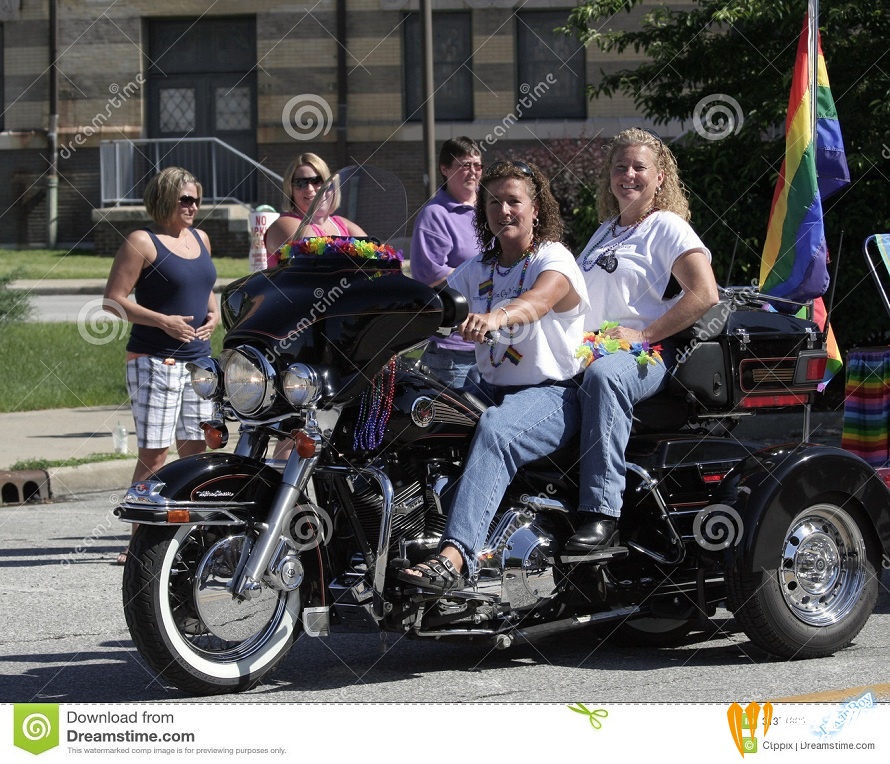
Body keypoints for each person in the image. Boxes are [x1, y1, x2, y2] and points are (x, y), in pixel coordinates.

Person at [398, 160, 589, 592]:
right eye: (494, 201)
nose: (503, 209)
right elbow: (430, 307)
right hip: (488, 389)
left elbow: (537, 302)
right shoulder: (477, 269)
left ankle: (454, 556)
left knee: (496, 431)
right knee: (415, 415)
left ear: (535, 208)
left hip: (552, 394)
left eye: (513, 201)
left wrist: (495, 317)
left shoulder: (552, 257)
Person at [566, 127, 720, 552]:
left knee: (605, 378)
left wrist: (643, 334)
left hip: (648, 352)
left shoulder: (667, 226)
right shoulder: (602, 233)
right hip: (588, 348)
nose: (628, 175)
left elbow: (706, 294)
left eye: (639, 167)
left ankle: (602, 514)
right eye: (620, 167)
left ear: (660, 178)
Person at [103, 167, 219, 565]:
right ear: (165, 198)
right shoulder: (142, 242)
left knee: (196, 451)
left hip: (199, 363)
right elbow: (114, 300)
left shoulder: (201, 238)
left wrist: (214, 314)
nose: (193, 206)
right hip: (155, 361)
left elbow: (206, 286)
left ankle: (191, 535)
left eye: (197, 199)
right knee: (154, 454)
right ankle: (138, 541)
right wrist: (163, 321)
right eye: (185, 199)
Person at [410, 137, 484, 388]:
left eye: (477, 165)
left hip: (494, 345)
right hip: (454, 349)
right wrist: (485, 273)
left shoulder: (491, 208)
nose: (473, 172)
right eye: (465, 165)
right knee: (459, 426)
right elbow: (429, 275)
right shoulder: (435, 214)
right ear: (445, 169)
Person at [264, 152, 366, 263]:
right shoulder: (285, 224)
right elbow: (314, 259)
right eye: (301, 183)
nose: (310, 189)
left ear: (331, 185)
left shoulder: (344, 225)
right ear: (290, 190)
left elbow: (376, 254)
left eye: (318, 181)